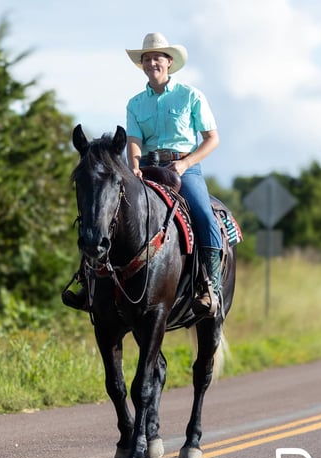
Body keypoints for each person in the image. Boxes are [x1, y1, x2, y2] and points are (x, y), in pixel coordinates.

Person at [63, 32, 223, 316]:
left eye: (157, 58)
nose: (152, 63)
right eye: (147, 59)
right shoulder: (135, 103)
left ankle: (209, 287)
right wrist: (133, 165)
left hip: (184, 167)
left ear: (169, 62)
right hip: (147, 167)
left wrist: (185, 165)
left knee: (204, 216)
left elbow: (212, 138)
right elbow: (133, 140)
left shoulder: (191, 96)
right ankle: (88, 285)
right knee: (105, 213)